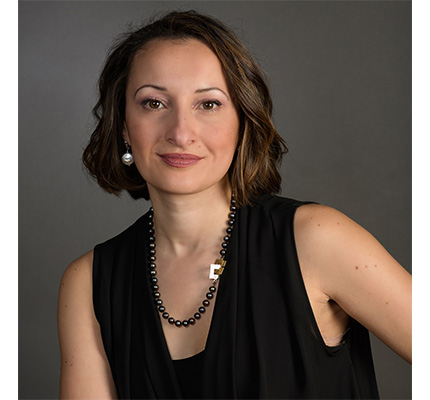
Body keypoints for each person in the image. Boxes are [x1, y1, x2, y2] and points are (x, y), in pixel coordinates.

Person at [57, 10, 411, 399]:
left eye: (208, 104)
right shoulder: (89, 282)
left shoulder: (316, 240)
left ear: (242, 121)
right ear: (124, 125)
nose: (181, 133)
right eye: (154, 103)